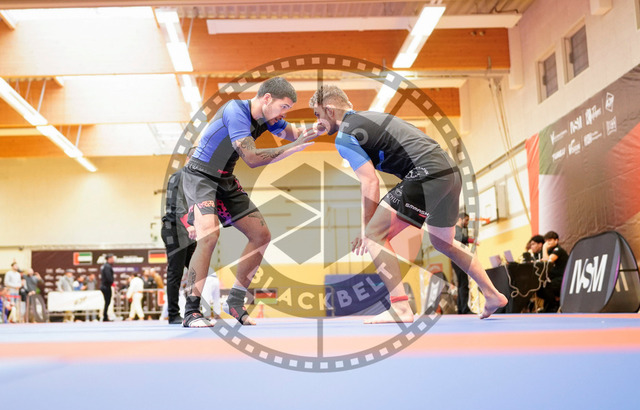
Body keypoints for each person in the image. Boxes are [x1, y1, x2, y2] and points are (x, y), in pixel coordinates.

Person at [309, 85, 507, 323]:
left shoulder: (345, 136)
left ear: (330, 110)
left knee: (374, 235)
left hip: (428, 172)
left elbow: (370, 182)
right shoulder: (371, 118)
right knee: (443, 242)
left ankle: (400, 308)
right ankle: (492, 294)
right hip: (450, 173)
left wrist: (367, 228)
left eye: (318, 115)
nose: (318, 122)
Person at [181, 77, 319, 327]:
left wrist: (325, 126)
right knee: (209, 236)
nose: (284, 114)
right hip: (200, 175)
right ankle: (191, 311)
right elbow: (252, 159)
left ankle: (235, 301)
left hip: (225, 179)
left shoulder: (270, 119)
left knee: (261, 235)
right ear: (267, 99)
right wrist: (292, 148)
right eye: (283, 107)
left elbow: (297, 135)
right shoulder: (236, 111)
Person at [162, 146, 197, 324]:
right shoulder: (179, 177)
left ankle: (193, 311)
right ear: (188, 159)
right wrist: (189, 225)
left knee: (195, 271)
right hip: (174, 229)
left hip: (188, 230)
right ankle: (173, 314)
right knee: (175, 272)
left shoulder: (195, 179)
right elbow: (177, 205)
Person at [538, 231, 568, 313]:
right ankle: (552, 305)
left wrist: (544, 248)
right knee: (539, 288)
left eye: (550, 240)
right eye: (546, 241)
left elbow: (548, 261)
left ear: (556, 240)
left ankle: (554, 306)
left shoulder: (558, 250)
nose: (547, 243)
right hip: (553, 278)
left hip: (562, 278)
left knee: (546, 288)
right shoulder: (550, 251)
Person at [452, 212, 473, 314]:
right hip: (458, 259)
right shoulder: (457, 230)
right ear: (460, 219)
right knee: (464, 284)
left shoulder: (459, 230)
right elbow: (460, 239)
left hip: (457, 259)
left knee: (461, 284)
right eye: (466, 220)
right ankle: (464, 308)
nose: (467, 222)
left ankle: (461, 308)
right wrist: (472, 240)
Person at [100, 254, 115, 322]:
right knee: (107, 301)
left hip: (105, 285)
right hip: (106, 286)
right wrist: (112, 282)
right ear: (109, 259)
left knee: (107, 302)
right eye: (112, 258)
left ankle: (105, 316)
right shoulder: (107, 266)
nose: (113, 260)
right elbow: (108, 277)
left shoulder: (106, 266)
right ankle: (105, 316)